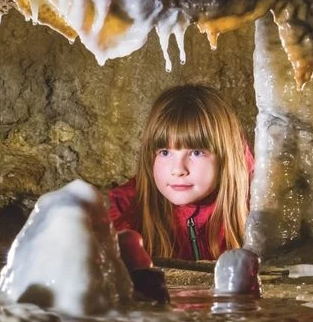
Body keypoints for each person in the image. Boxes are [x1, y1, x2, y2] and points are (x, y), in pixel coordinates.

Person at [108, 84, 254, 262]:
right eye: (165, 152)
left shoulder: (257, 203)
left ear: (226, 156)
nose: (178, 170)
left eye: (196, 152)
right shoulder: (126, 209)